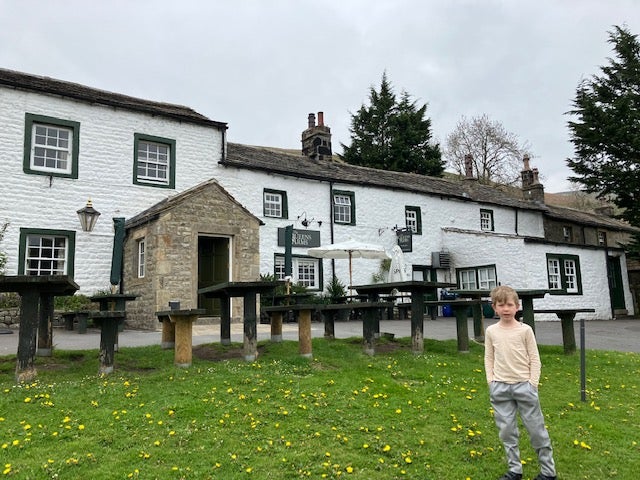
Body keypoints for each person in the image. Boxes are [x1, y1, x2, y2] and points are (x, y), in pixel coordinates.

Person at [484, 285, 557, 480]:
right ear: (494, 307)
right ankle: (514, 470)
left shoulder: (525, 330)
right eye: (501, 305)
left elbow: (534, 358)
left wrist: (532, 383)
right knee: (507, 431)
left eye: (509, 305)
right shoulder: (491, 331)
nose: (506, 309)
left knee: (536, 430)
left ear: (517, 307)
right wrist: (491, 381)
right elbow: (489, 357)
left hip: (524, 386)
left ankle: (548, 472)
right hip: (500, 387)